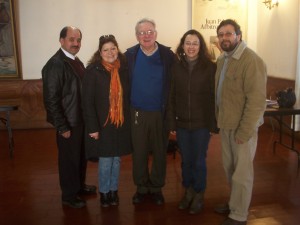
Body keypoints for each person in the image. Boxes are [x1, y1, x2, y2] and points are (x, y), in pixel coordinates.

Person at [214, 19, 267, 225]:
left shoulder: (251, 60)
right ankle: (234, 203)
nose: (224, 38)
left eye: (228, 34)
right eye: (221, 35)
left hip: (242, 129)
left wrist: (244, 132)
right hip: (226, 124)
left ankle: (239, 215)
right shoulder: (223, 59)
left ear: (238, 35)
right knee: (230, 169)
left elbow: (256, 102)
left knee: (242, 173)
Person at [42, 26, 96, 209]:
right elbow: (51, 100)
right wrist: (61, 126)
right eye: (72, 39)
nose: (76, 43)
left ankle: (79, 187)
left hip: (80, 121)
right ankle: (69, 195)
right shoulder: (55, 64)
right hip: (68, 123)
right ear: (61, 40)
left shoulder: (76, 61)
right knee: (68, 161)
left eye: (78, 40)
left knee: (81, 158)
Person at [167, 29, 218, 214]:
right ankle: (187, 191)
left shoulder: (210, 67)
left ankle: (198, 194)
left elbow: (214, 98)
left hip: (201, 125)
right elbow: (171, 96)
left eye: (195, 43)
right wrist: (171, 123)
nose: (191, 47)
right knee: (185, 161)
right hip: (181, 124)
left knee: (198, 161)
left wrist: (213, 125)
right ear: (183, 45)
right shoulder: (175, 67)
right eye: (188, 43)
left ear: (200, 46)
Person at [125, 18, 175, 205]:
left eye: (149, 32)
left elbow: (174, 85)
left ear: (156, 33)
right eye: (141, 32)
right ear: (136, 36)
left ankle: (156, 188)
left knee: (160, 152)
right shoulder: (129, 55)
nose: (146, 36)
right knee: (139, 152)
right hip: (137, 113)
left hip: (160, 113)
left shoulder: (167, 55)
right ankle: (141, 187)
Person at [82, 35, 132, 207]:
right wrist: (92, 127)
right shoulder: (92, 71)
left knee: (116, 159)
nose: (110, 52)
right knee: (105, 160)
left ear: (117, 49)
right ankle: (104, 192)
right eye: (106, 49)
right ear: (100, 52)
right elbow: (87, 102)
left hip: (119, 123)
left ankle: (113, 190)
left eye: (113, 48)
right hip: (102, 124)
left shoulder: (124, 69)